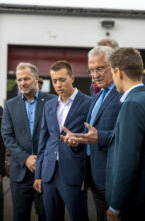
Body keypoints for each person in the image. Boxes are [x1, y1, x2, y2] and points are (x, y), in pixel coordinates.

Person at [60, 46, 121, 221]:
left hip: (113, 178)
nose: (95, 75)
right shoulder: (96, 94)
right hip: (94, 176)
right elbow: (91, 134)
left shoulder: (123, 94)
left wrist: (99, 137)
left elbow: (129, 136)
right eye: (91, 70)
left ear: (114, 66)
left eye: (100, 68)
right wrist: (77, 139)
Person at [33, 61, 91, 221]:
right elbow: (43, 141)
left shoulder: (88, 103)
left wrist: (88, 176)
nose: (58, 84)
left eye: (62, 79)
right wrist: (38, 174)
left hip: (74, 173)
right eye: (54, 80)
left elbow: (91, 143)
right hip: (49, 173)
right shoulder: (49, 105)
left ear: (72, 78)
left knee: (79, 217)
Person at [2, 62, 54, 221]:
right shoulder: (10, 105)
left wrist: (41, 160)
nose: (22, 83)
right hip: (20, 173)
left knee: (47, 215)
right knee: (20, 216)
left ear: (36, 79)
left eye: (26, 79)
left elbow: (54, 135)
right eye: (19, 80)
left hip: (45, 172)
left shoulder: (52, 101)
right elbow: (7, 136)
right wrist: (26, 158)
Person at [105, 48, 145, 220]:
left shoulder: (132, 104)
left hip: (133, 202)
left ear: (118, 72)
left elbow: (127, 160)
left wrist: (115, 205)